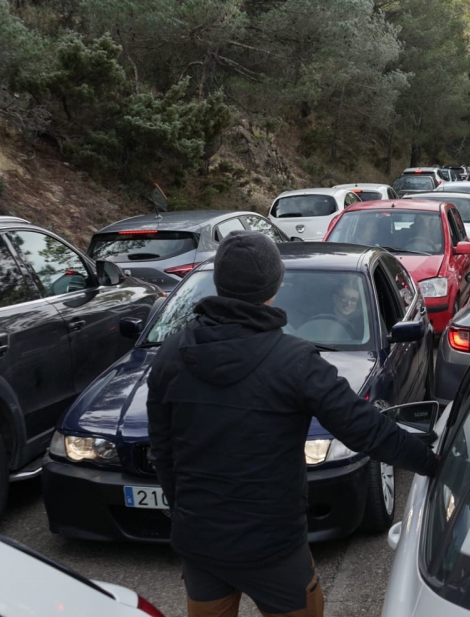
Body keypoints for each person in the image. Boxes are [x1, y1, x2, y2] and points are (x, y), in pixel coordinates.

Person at [147, 231, 438, 617]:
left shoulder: (171, 355)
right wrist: (433, 463)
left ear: (219, 281)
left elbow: (163, 453)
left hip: (201, 546)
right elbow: (366, 429)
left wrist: (186, 518)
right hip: (274, 550)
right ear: (275, 286)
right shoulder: (294, 360)